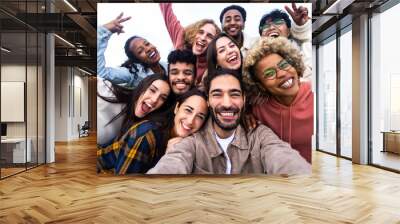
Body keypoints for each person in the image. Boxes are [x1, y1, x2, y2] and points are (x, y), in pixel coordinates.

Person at [147, 68, 311, 175]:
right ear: (209, 101)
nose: (226, 104)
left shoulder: (260, 136)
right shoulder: (193, 141)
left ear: (244, 100)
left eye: (234, 94)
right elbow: (171, 165)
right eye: (217, 94)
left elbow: (284, 159)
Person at [97, 86, 208, 175]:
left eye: (200, 117)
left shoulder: (190, 142)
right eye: (188, 110)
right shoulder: (147, 134)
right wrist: (166, 158)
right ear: (176, 108)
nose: (190, 121)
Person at [242, 37, 313, 163]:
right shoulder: (257, 107)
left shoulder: (314, 95)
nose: (281, 74)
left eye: (284, 65)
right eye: (269, 73)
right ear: (261, 86)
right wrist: (245, 113)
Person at [97, 73, 172, 174]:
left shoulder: (144, 131)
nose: (154, 100)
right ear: (142, 87)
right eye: (152, 90)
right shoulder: (110, 94)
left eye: (162, 98)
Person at [98, 13, 166, 88]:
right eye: (140, 51)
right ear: (137, 60)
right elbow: (101, 73)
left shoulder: (167, 66)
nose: (148, 49)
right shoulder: (133, 74)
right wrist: (104, 30)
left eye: (147, 44)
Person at [159, 3, 221, 85]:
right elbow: (167, 11)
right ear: (193, 32)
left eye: (209, 36)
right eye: (200, 32)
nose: (203, 38)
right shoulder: (181, 37)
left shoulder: (213, 63)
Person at [258, 3, 312, 82]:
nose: (272, 27)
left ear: (289, 31)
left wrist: (301, 26)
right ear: (261, 36)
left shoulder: (305, 53)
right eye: (265, 26)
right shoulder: (255, 62)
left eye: (278, 23)